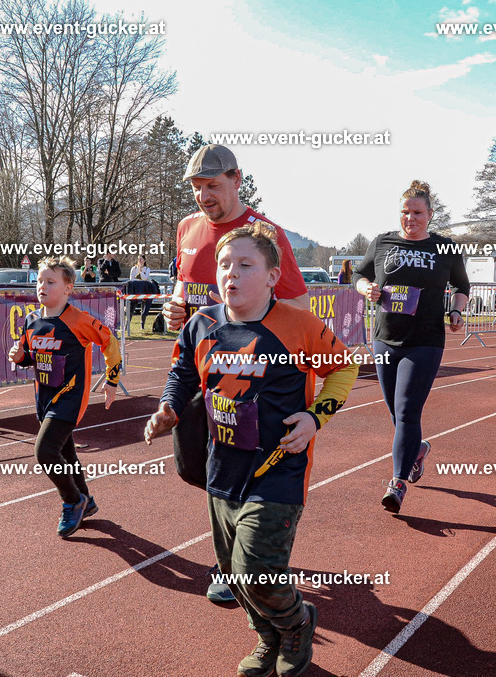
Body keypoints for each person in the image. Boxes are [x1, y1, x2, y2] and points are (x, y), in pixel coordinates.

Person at [145, 223, 358, 677]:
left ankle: (298, 624)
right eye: (224, 265)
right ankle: (267, 640)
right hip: (221, 472)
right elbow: (183, 374)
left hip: (279, 469)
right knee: (231, 572)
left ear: (271, 276)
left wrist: (314, 417)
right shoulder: (202, 324)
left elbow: (344, 368)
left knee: (254, 569)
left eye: (245, 265)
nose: (232, 274)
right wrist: (168, 408)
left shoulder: (298, 325)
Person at [161, 143, 310, 604]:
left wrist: (244, 318)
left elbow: (299, 306)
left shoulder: (265, 233)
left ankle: (238, 558)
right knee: (193, 467)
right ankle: (247, 539)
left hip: (254, 376)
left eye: (213, 185)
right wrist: (175, 312)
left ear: (236, 179)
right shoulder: (187, 229)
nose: (204, 195)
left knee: (242, 466)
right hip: (199, 371)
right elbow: (185, 292)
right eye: (197, 187)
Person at [353, 180, 469, 512]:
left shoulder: (445, 248)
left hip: (425, 342)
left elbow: (462, 285)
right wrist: (366, 289)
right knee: (395, 412)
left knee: (406, 412)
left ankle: (398, 481)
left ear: (430, 215)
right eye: (405, 212)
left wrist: (457, 309)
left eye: (417, 212)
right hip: (385, 341)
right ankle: (417, 450)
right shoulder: (382, 242)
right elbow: (357, 275)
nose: (410, 218)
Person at [8, 256, 122, 537]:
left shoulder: (78, 320)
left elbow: (109, 341)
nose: (42, 287)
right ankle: (87, 499)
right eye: (39, 281)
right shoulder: (32, 320)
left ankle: (72, 501)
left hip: (70, 398)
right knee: (66, 453)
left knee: (45, 451)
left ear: (68, 288)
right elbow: (27, 357)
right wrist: (20, 357)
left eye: (50, 282)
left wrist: (112, 380)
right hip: (43, 398)